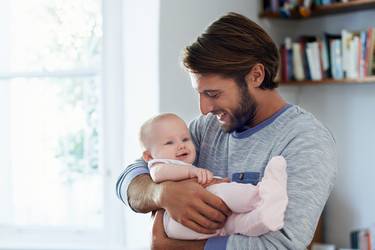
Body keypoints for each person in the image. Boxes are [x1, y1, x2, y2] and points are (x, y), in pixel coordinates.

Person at [116, 12, 337, 250]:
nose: (203, 109)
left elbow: (282, 245)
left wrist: (179, 247)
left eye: (212, 94)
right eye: (199, 94)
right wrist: (160, 193)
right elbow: (130, 177)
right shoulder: (207, 129)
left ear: (256, 75)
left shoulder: (305, 140)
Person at [139, 113, 288, 240]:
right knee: (224, 192)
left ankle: (263, 218)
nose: (181, 146)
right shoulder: (158, 165)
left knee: (233, 224)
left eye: (185, 139)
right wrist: (192, 173)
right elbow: (159, 174)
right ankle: (262, 195)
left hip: (199, 225)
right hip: (176, 222)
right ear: (149, 155)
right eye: (169, 143)